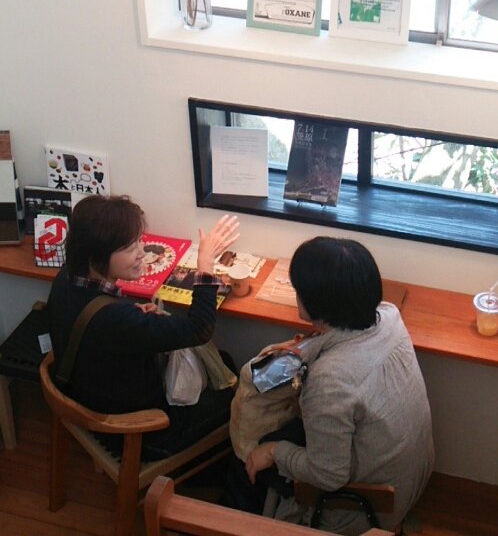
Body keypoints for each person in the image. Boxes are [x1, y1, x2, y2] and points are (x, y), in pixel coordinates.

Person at [229, 236, 434, 535]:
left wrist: (273, 452)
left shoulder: (330, 380)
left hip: (366, 509)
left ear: (317, 303)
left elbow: (329, 475)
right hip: (411, 477)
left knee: (244, 465)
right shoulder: (388, 315)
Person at [46, 194, 240, 460]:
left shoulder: (66, 277)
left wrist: (135, 317)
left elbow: (100, 329)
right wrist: (205, 265)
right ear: (95, 255)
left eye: (139, 240)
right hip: (138, 432)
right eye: (129, 248)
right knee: (232, 389)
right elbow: (199, 329)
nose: (142, 252)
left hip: (85, 390)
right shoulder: (116, 319)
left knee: (222, 361)